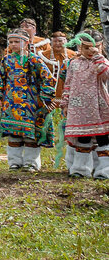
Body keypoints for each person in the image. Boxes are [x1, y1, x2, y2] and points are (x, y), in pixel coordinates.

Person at [0, 30, 55, 171]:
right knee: (13, 133)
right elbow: (0, 79)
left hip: (31, 103)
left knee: (30, 134)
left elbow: (48, 78)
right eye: (11, 42)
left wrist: (45, 97)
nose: (13, 45)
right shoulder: (6, 60)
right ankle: (14, 162)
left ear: (26, 43)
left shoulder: (35, 60)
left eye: (16, 42)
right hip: (11, 102)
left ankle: (31, 163)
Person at [60, 33, 109, 179]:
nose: (90, 51)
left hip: (99, 107)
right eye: (86, 47)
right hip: (79, 108)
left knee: (103, 139)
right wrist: (65, 103)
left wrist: (97, 56)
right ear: (79, 47)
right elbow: (68, 84)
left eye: (94, 47)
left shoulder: (103, 62)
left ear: (101, 47)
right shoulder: (74, 63)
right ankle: (80, 169)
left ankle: (104, 171)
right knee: (83, 138)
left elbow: (105, 74)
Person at [41, 31, 74, 168]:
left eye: (61, 41)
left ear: (66, 41)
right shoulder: (44, 55)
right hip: (51, 93)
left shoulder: (73, 55)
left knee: (67, 117)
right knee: (46, 115)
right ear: (51, 42)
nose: (58, 44)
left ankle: (68, 137)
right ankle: (45, 137)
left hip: (67, 92)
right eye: (55, 41)